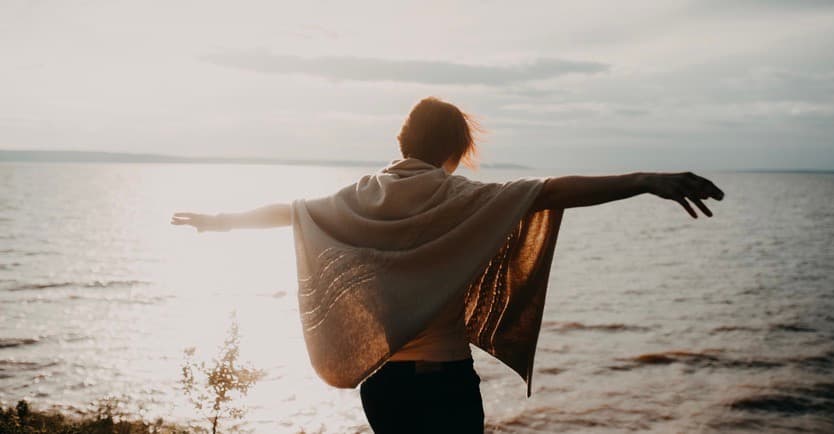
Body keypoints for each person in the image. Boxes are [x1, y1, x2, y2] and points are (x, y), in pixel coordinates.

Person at [171, 97, 724, 433]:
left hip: (382, 385)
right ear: (454, 147)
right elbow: (553, 191)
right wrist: (645, 180)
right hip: (446, 385)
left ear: (401, 140)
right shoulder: (462, 199)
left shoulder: (356, 198)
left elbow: (288, 213)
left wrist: (219, 220)